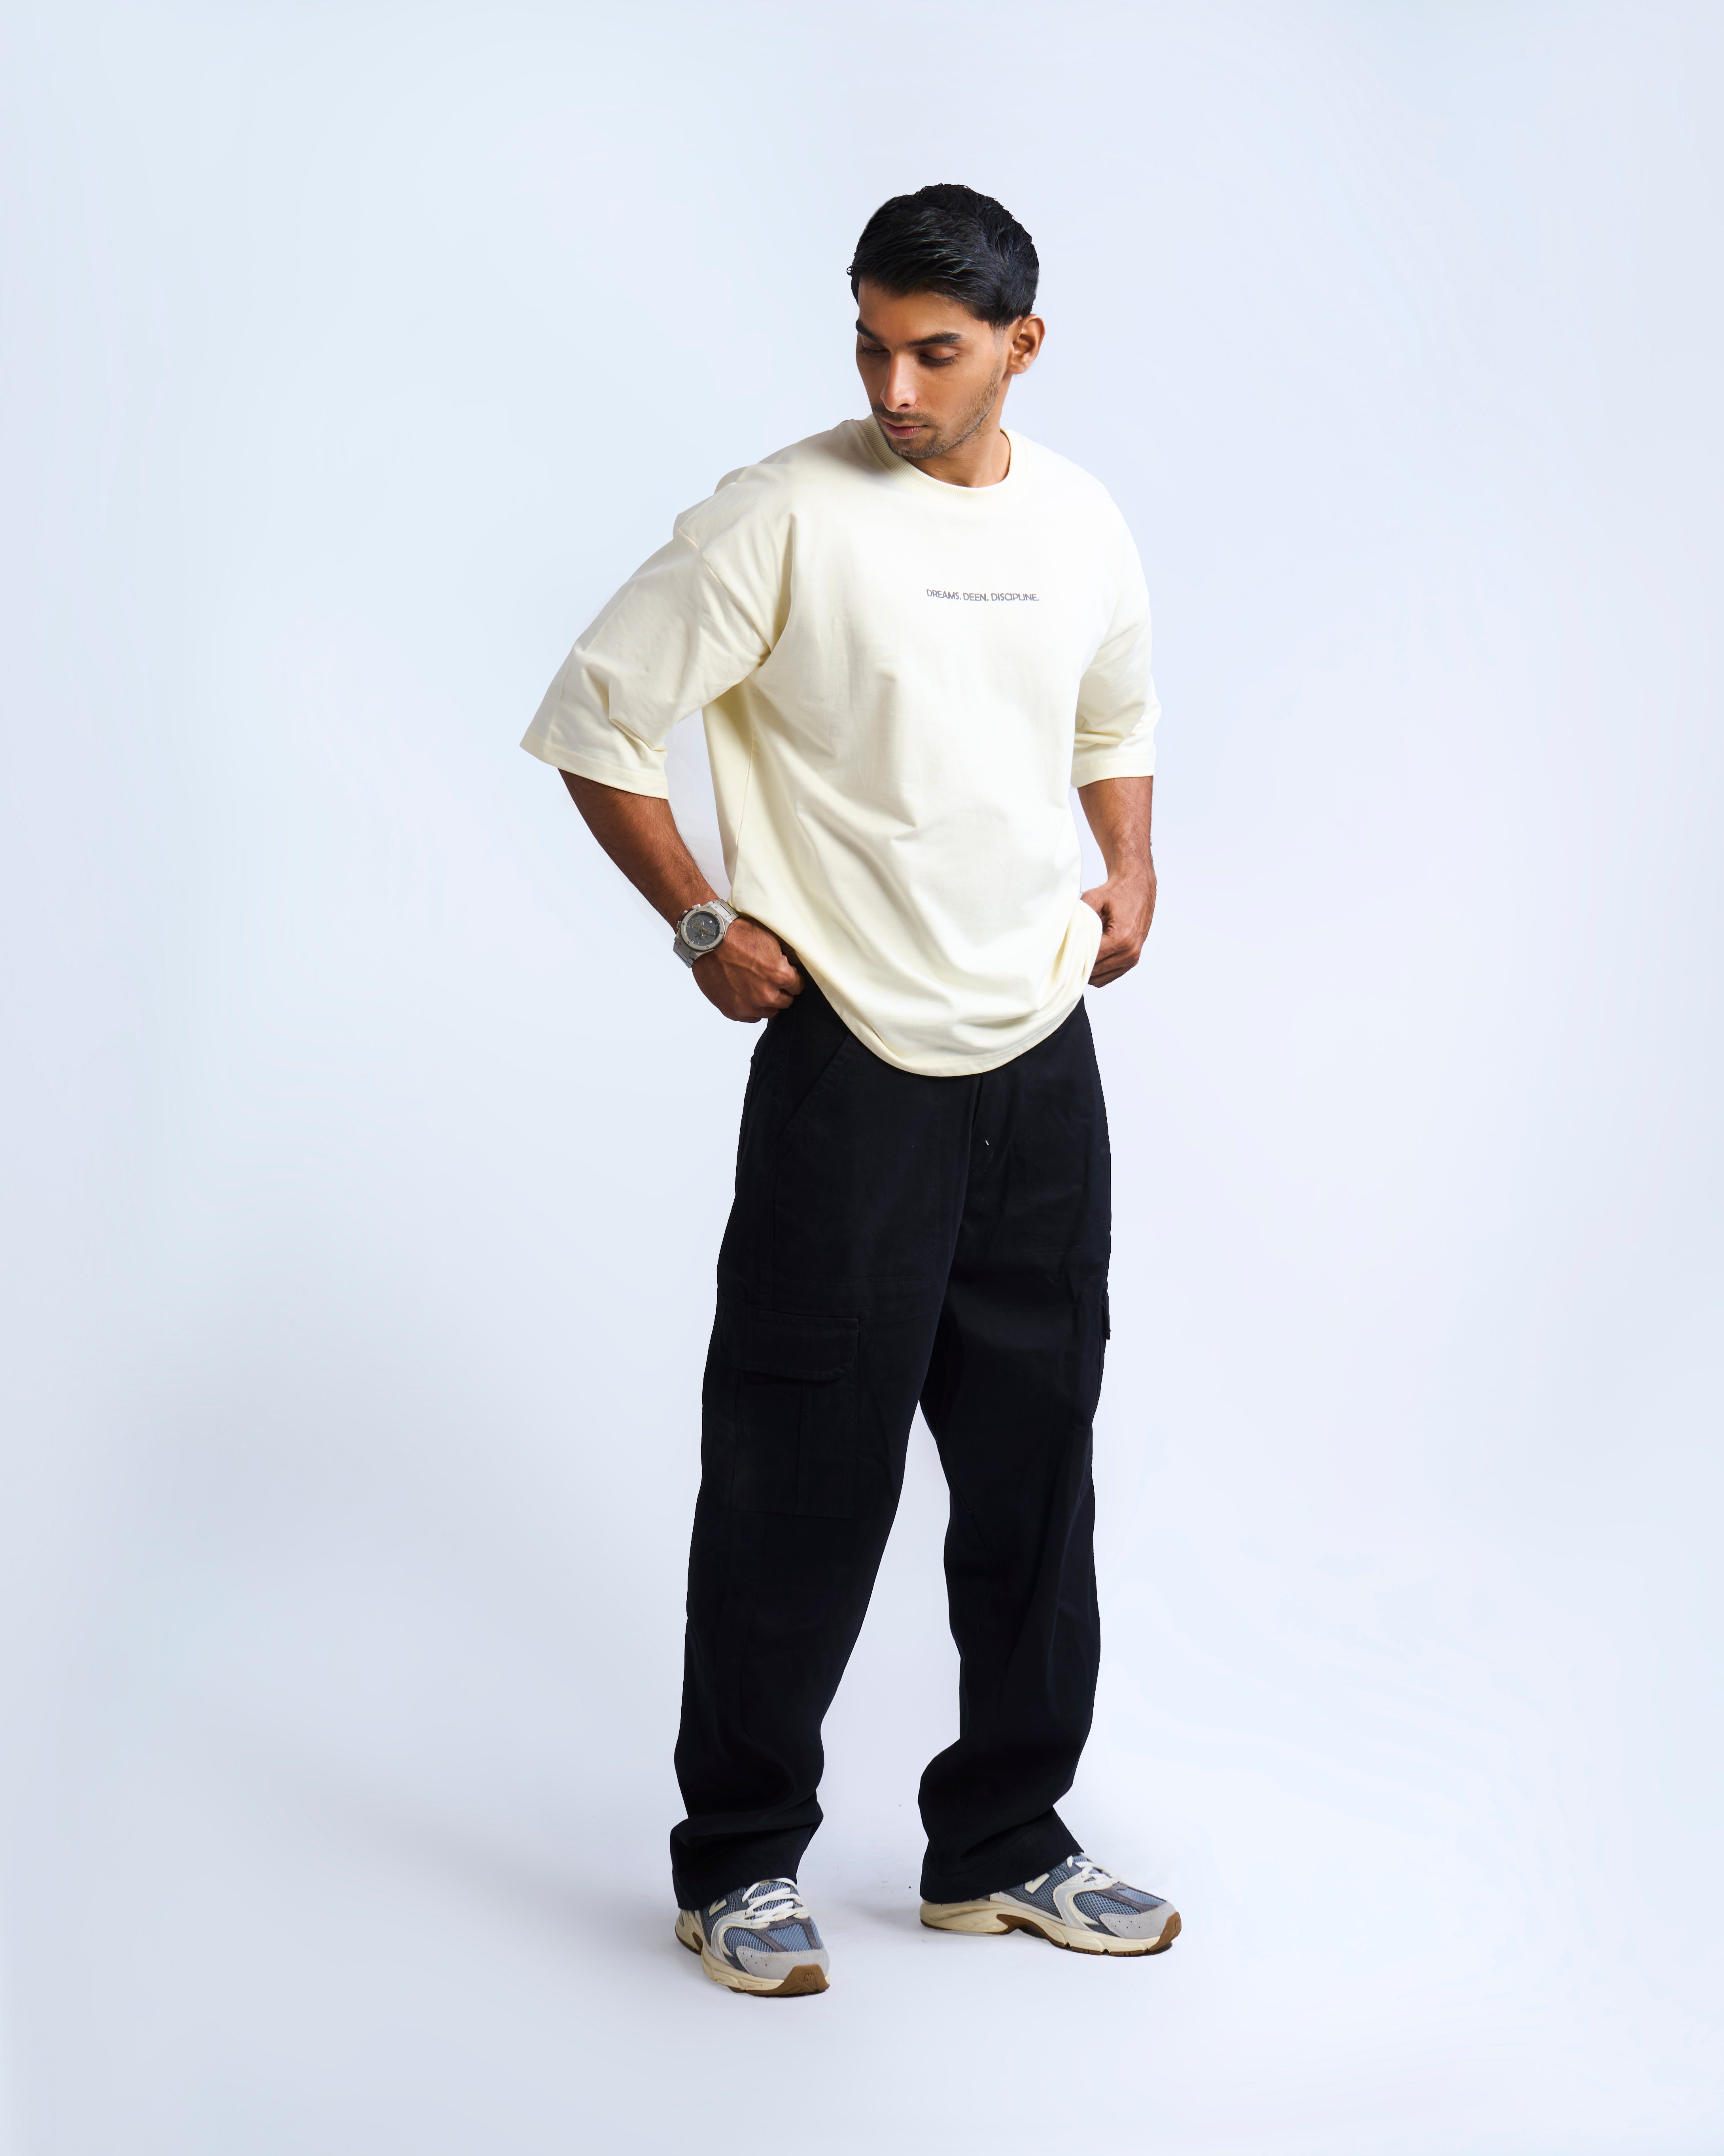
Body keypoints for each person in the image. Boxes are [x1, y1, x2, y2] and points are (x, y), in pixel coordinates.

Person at [522, 183, 1179, 1996]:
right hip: (852, 1061)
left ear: (1020, 347)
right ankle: (739, 1862)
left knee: (1036, 1470)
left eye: (934, 352)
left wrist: (1131, 865)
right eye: (871, 345)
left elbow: (1112, 715)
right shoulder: (782, 516)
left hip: (1037, 1056)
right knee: (797, 1475)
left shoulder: (1080, 520)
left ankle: (1002, 1842)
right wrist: (700, 921)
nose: (894, 386)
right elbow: (594, 715)